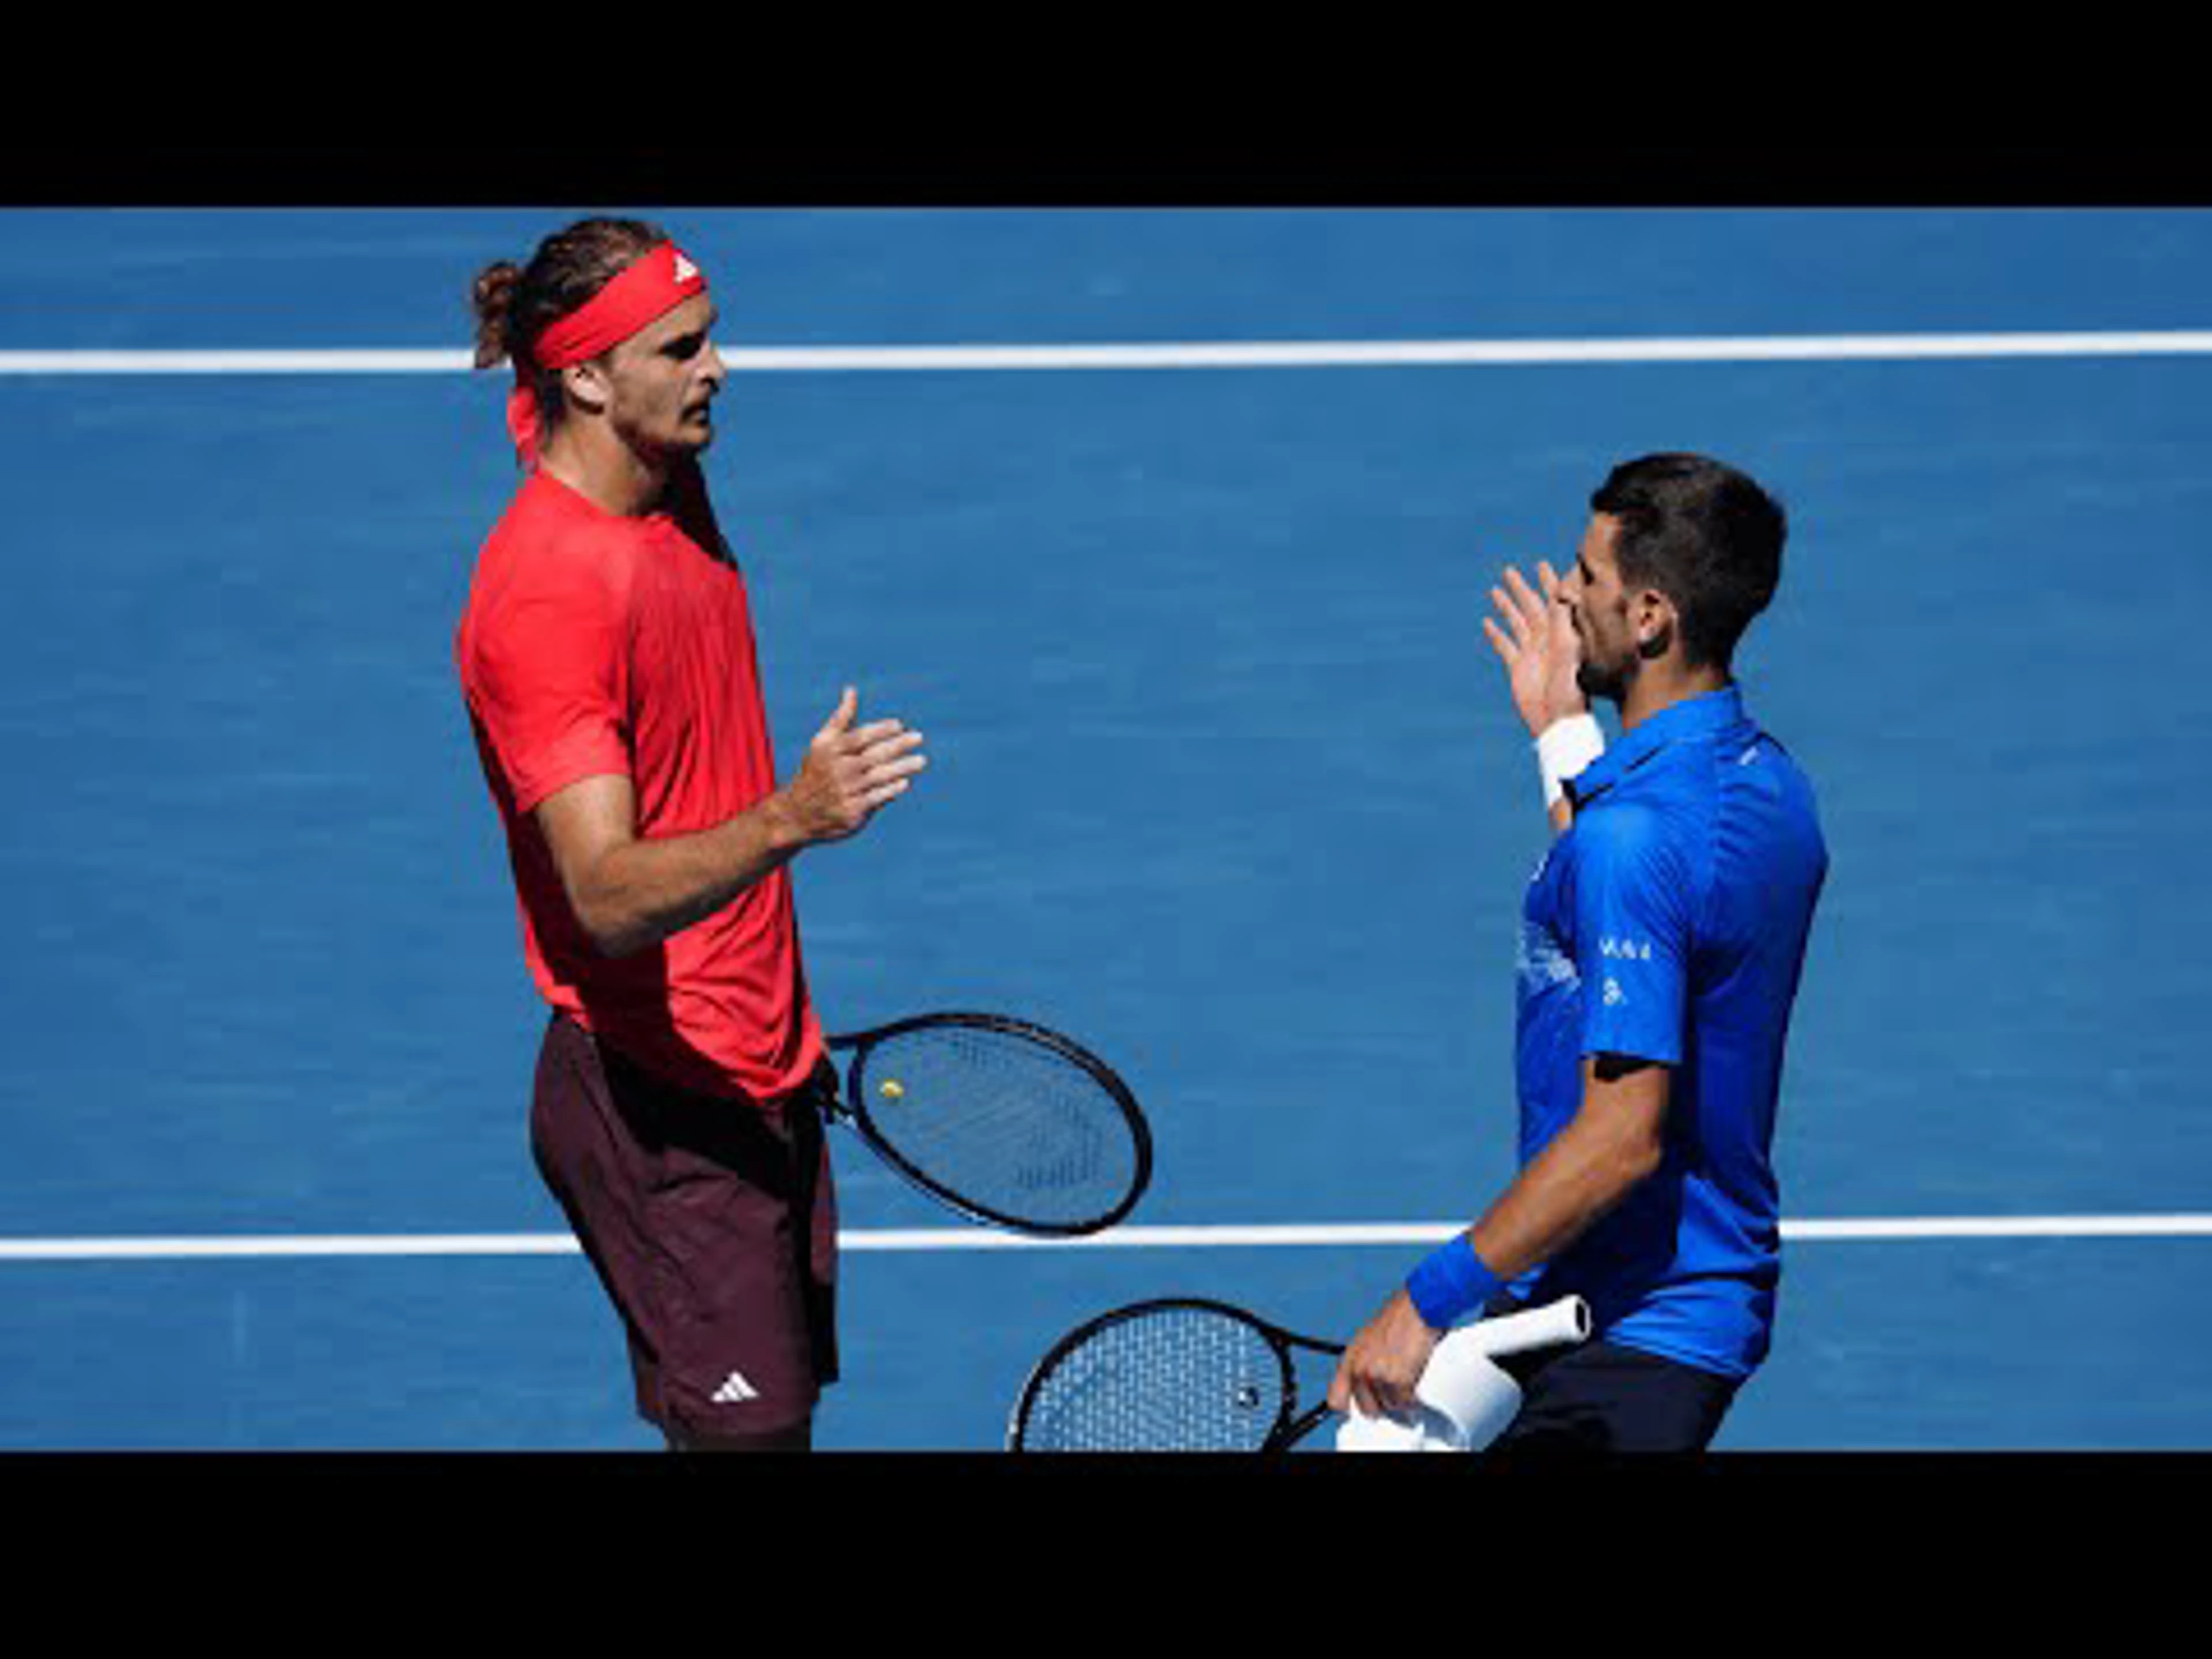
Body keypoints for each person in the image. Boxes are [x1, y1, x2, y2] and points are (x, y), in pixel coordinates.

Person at [454, 217, 927, 1452]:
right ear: (589, 378)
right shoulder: (550, 598)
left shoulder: (658, 478)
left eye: (709, 339)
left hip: (752, 1060)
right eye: (681, 350)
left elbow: (540, 415)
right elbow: (603, 894)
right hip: (662, 1108)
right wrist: (792, 818)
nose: (716, 369)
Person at [1328, 452, 1827, 1453]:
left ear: (1649, 616)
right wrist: (1561, 731)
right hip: (1655, 1309)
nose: (1565, 593)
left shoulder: (1631, 839)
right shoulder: (1768, 788)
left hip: (1632, 1327)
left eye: (1587, 577)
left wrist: (1424, 1304)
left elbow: (1620, 1138)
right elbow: (1632, 894)